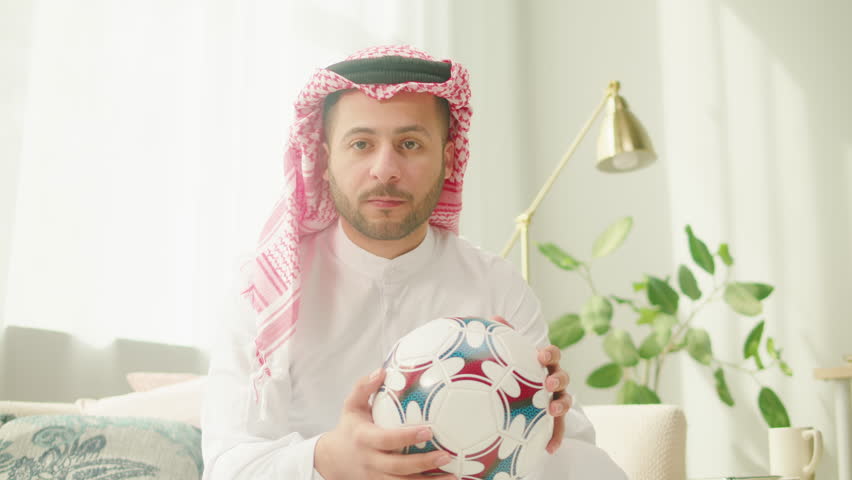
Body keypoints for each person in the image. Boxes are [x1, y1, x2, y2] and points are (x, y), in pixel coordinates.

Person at [201, 45, 627, 480]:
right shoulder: (263, 289)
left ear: (446, 158)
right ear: (325, 160)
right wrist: (328, 458)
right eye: (361, 144)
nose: (385, 169)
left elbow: (571, 450)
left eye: (410, 144)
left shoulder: (495, 284)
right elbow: (227, 466)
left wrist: (542, 412)